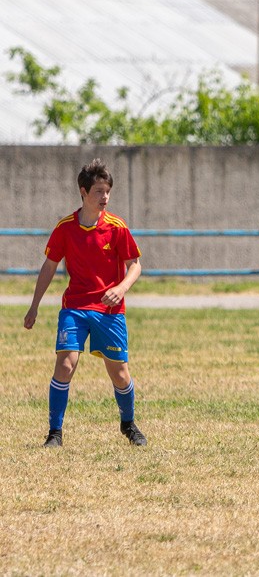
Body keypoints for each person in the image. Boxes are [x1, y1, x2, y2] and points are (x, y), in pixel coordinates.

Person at [23, 159, 147, 448]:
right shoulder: (65, 227)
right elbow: (49, 266)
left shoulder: (116, 228)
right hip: (75, 308)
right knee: (65, 364)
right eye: (98, 191)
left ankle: (128, 424)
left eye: (107, 192)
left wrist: (121, 287)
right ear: (83, 191)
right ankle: (55, 433)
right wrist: (34, 305)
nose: (104, 197)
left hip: (109, 309)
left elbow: (135, 265)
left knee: (119, 372)